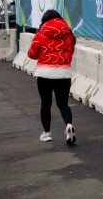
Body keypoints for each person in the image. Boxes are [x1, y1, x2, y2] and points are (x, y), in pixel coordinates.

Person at [28, 8, 77, 145]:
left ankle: (47, 133)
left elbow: (31, 54)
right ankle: (68, 125)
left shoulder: (41, 34)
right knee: (63, 103)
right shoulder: (69, 35)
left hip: (45, 73)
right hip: (63, 73)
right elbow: (71, 52)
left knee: (46, 103)